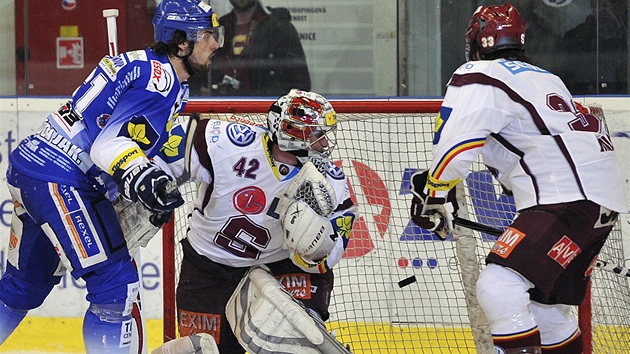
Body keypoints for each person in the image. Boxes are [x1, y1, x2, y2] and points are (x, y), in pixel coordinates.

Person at [0, 0, 224, 352]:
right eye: (209, 35)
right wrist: (143, 177)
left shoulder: (155, 74)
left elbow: (139, 142)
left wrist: (154, 175)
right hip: (62, 177)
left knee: (21, 288)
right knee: (115, 286)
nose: (216, 44)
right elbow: (108, 143)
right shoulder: (160, 82)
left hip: (35, 165)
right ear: (182, 42)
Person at [409, 3, 627, 354]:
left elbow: (455, 147)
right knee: (545, 308)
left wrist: (434, 192)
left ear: (476, 43)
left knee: (499, 287)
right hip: (601, 203)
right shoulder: (546, 78)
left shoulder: (479, 73)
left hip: (563, 198)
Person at [153, 89, 357, 353]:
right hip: (208, 267)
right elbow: (162, 159)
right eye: (318, 136)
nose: (325, 145)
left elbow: (332, 252)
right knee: (205, 348)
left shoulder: (329, 182)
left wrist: (313, 251)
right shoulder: (224, 143)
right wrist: (151, 185)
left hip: (282, 265)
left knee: (304, 344)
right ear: (293, 135)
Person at [189, 0, 311, 96]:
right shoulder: (221, 27)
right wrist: (204, 90)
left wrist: (260, 98)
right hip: (220, 110)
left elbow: (300, 85)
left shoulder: (279, 29)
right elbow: (199, 71)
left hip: (263, 112)